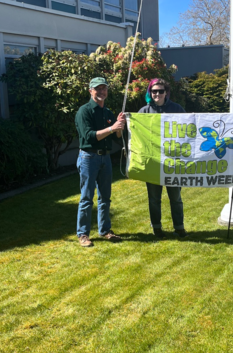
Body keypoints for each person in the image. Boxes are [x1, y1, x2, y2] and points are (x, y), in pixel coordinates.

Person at [75, 77, 127, 248]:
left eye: (104, 88)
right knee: (86, 198)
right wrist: (112, 128)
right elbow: (89, 135)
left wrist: (119, 125)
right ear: (90, 91)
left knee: (105, 197)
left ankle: (105, 230)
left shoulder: (108, 112)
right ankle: (83, 234)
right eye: (98, 89)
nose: (102, 92)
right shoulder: (84, 111)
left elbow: (117, 137)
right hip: (89, 158)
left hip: (105, 158)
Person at [139, 79, 188, 239]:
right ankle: (157, 228)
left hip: (173, 162)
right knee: (154, 198)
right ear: (150, 93)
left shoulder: (177, 109)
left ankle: (179, 227)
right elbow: (136, 133)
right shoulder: (144, 112)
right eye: (154, 91)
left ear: (166, 92)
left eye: (160, 91)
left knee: (176, 197)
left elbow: (187, 130)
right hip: (153, 162)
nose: (157, 94)